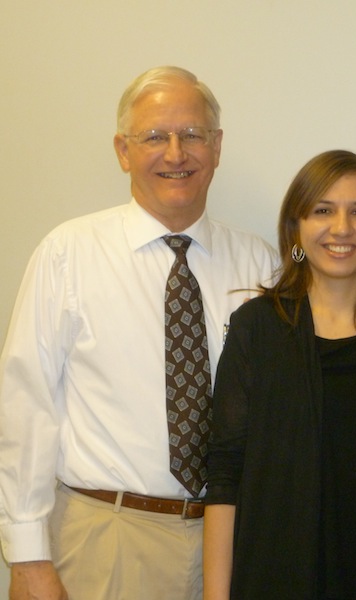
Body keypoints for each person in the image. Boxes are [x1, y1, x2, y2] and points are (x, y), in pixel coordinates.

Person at [0, 66, 277, 600]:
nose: (176, 154)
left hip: (233, 546)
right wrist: (28, 555)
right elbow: (25, 405)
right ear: (123, 150)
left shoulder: (260, 264)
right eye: (154, 137)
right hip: (108, 539)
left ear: (216, 147)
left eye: (192, 135)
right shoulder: (69, 253)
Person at [203, 149, 356, 599]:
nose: (342, 228)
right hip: (275, 575)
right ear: (297, 227)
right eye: (323, 210)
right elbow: (226, 471)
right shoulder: (257, 328)